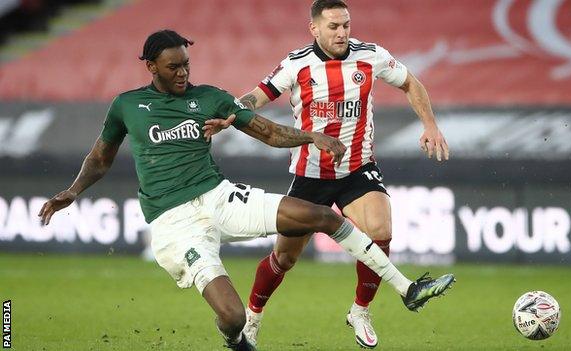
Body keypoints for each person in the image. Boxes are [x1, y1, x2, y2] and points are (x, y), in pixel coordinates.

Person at [38, 30, 454, 351]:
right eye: (173, 67)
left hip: (220, 197)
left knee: (324, 217)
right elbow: (100, 157)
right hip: (174, 222)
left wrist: (311, 136)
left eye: (186, 64)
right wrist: (73, 191)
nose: (183, 73)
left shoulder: (210, 97)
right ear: (150, 66)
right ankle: (239, 339)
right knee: (233, 317)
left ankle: (406, 289)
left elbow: (269, 132)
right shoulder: (126, 106)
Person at [202, 0, 452, 349]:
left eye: (346, 25)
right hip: (310, 175)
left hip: (357, 169)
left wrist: (430, 124)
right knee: (284, 258)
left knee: (381, 229)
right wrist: (233, 112)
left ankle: (360, 311)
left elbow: (411, 83)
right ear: (314, 29)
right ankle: (254, 317)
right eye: (333, 26)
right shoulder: (296, 63)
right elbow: (257, 97)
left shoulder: (370, 55)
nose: (342, 32)